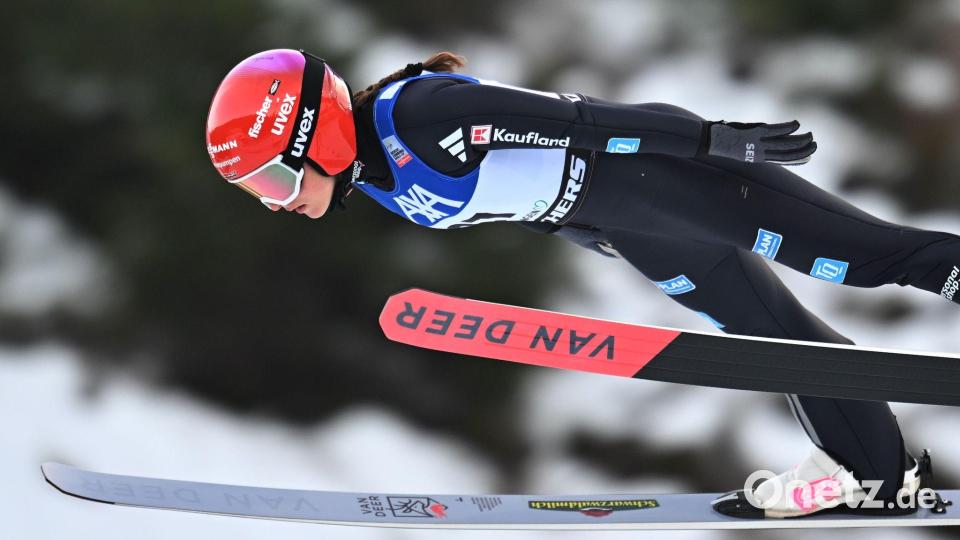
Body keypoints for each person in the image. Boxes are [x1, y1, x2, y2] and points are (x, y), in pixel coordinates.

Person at [205, 49, 960, 518]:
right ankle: (871, 472)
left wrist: (709, 141)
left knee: (869, 258)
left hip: (672, 176)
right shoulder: (368, 177)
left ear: (312, 132)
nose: (280, 202)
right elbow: (517, 197)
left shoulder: (426, 117)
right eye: (258, 193)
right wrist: (590, 232)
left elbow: (583, 122)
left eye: (274, 177)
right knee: (774, 343)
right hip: (632, 223)